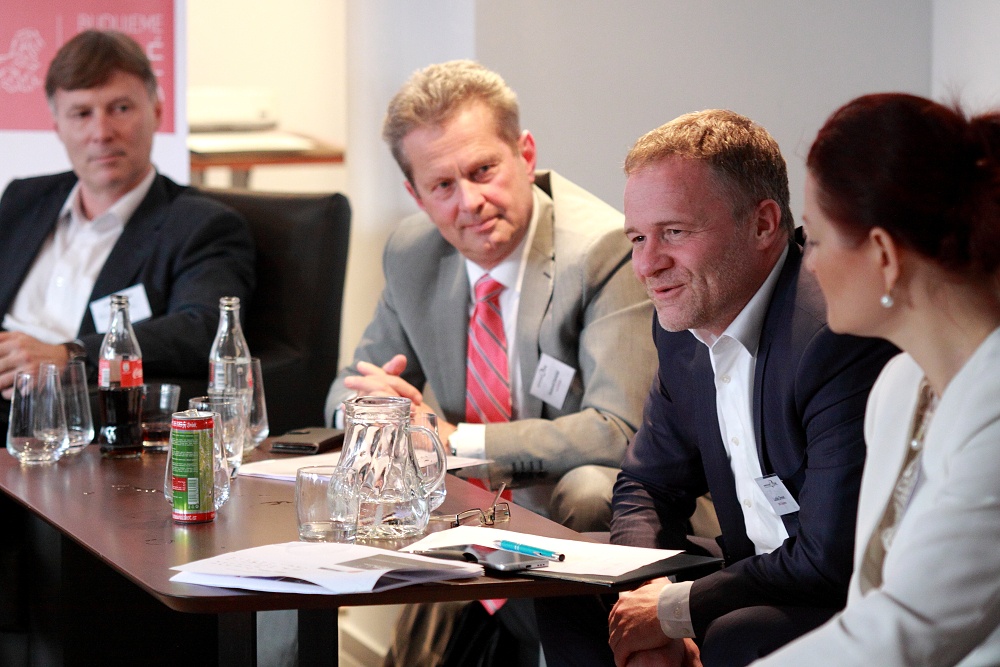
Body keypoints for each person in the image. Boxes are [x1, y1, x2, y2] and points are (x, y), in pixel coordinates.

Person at [537, 109, 898, 667]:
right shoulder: (683, 323)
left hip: (836, 593)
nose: (646, 265)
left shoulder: (833, 334)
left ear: (763, 225)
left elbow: (828, 559)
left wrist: (673, 610)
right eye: (638, 237)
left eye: (674, 233)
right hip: (749, 566)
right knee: (567, 587)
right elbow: (648, 484)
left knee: (736, 633)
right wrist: (643, 599)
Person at [324, 59, 655, 667]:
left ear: (525, 154)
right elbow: (344, 394)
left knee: (588, 487)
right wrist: (382, 413)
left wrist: (449, 439)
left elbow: (618, 430)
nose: (470, 202)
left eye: (483, 171)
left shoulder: (604, 249)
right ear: (416, 195)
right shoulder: (413, 252)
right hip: (463, 522)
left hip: (564, 514)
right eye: (442, 186)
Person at [749, 95, 1000, 666]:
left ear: (884, 253)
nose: (808, 262)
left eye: (814, 238)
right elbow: (871, 605)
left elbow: (906, 629)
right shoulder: (897, 385)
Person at [0, 30, 254, 425]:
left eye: (120, 108)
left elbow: (202, 328)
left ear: (157, 112)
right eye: (81, 114)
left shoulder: (201, 225)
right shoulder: (23, 199)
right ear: (57, 127)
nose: (101, 133)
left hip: (73, 418)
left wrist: (70, 356)